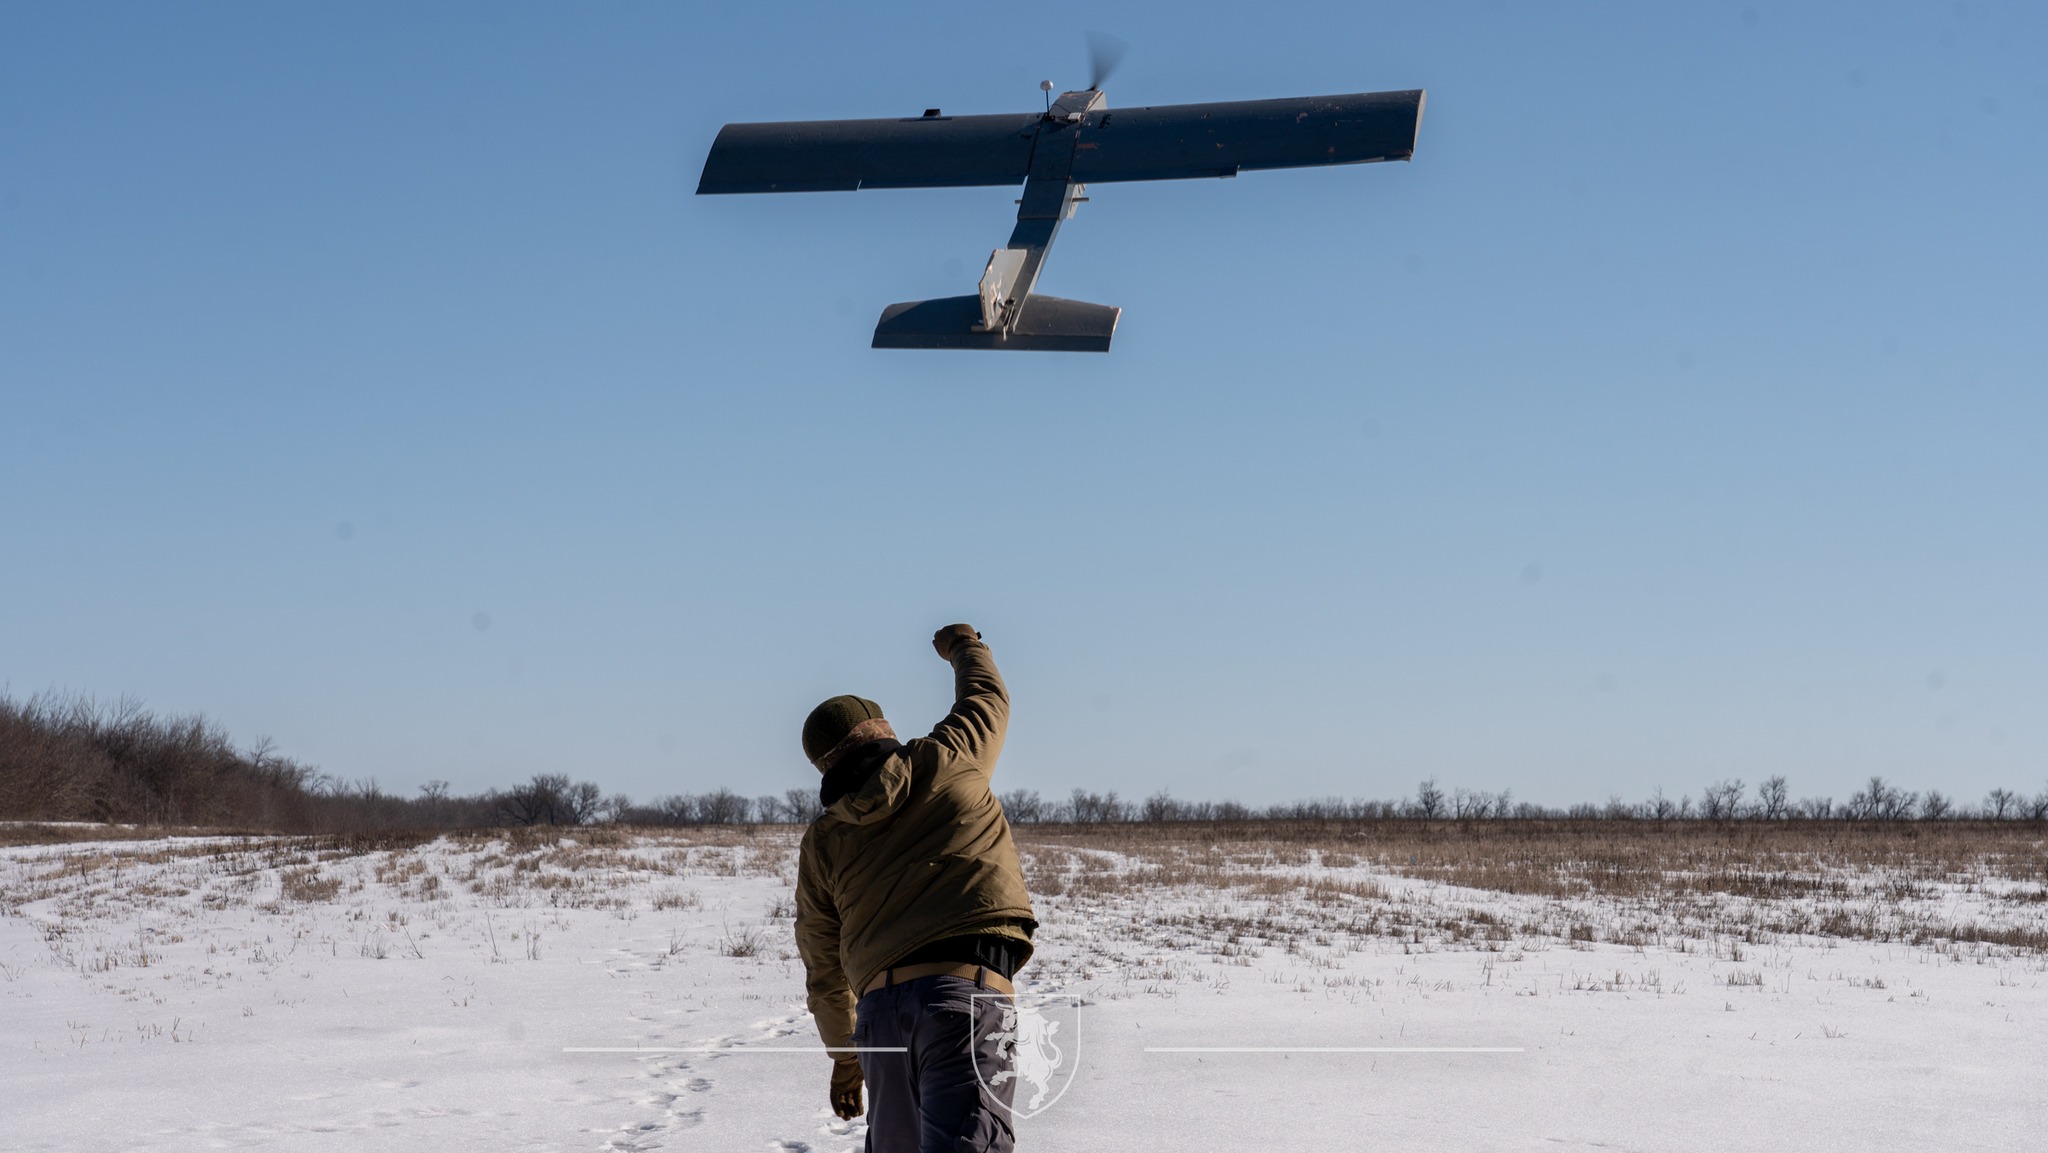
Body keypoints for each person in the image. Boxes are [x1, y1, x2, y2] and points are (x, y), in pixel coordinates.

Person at [794, 623, 1037, 1152]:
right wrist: (964, 646)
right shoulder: (949, 759)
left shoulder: (823, 840)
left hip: (879, 1021)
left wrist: (846, 1058)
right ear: (883, 732)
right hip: (964, 1000)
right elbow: (986, 697)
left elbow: (823, 965)